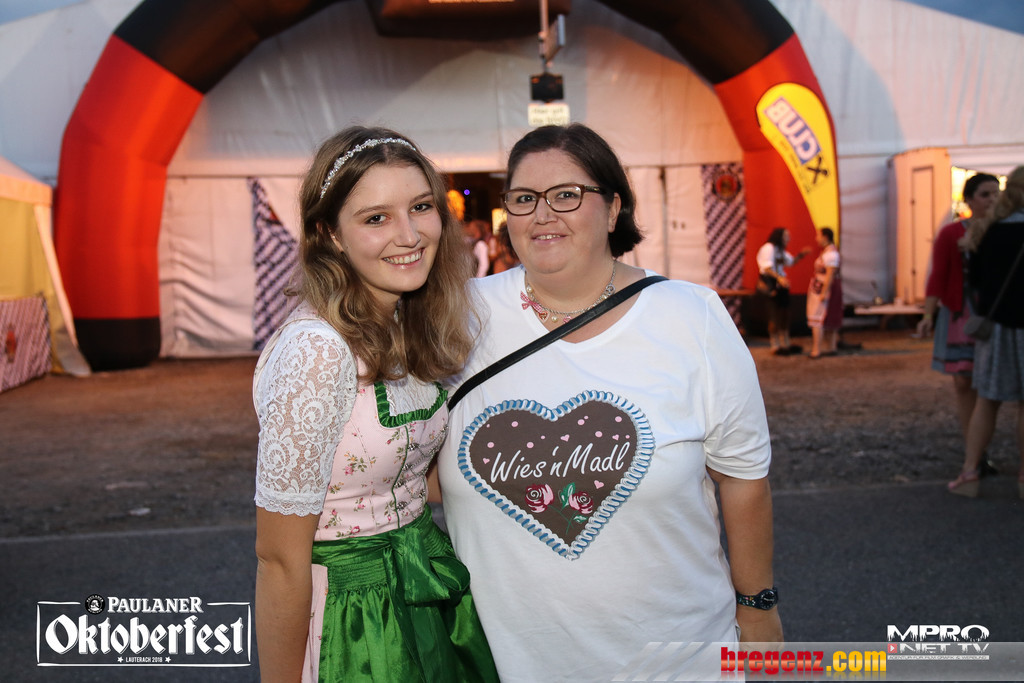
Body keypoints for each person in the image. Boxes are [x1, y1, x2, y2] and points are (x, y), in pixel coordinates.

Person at [437, 123, 782, 681]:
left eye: (567, 195)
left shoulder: (691, 317)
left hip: (681, 662)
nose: (542, 215)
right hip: (513, 665)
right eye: (524, 199)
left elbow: (743, 477)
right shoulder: (457, 317)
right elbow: (408, 462)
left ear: (614, 206)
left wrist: (758, 605)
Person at [252, 126, 497, 682]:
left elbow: (408, 474)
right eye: (376, 218)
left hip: (425, 584)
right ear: (330, 234)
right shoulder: (316, 352)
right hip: (353, 617)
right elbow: (279, 558)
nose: (409, 235)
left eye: (421, 207)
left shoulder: (407, 321)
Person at [917, 173, 1000, 475]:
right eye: (985, 194)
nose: (992, 200)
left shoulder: (1003, 230)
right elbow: (938, 275)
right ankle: (975, 453)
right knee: (964, 382)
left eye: (996, 193)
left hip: (994, 313)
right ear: (969, 200)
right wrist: (927, 315)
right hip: (960, 312)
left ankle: (979, 452)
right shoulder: (951, 233)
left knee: (992, 384)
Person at [949, 166, 1024, 499]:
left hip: (995, 327)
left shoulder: (987, 230)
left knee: (987, 401)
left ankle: (970, 472)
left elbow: (976, 282)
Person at [756, 227, 811, 355]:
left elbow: (790, 262)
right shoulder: (768, 248)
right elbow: (767, 268)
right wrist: (779, 278)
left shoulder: (780, 250)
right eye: (786, 236)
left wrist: (801, 255)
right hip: (771, 285)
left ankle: (785, 342)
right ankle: (775, 344)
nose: (788, 239)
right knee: (774, 314)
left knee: (784, 314)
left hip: (781, 285)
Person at [805, 228, 843, 358]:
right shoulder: (828, 252)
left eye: (819, 235)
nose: (817, 238)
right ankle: (831, 347)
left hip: (823, 289)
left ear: (825, 237)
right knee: (827, 317)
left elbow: (830, 274)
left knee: (818, 318)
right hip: (821, 287)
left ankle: (817, 349)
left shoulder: (831, 254)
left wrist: (824, 292)